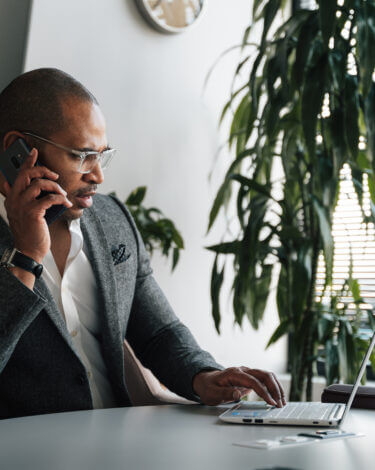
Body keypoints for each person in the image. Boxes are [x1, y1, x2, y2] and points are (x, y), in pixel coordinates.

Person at [0, 68, 286, 419]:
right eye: (80, 155)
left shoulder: (112, 220)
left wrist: (204, 375)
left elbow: (159, 333)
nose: (98, 175)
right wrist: (26, 257)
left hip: (118, 442)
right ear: (17, 150)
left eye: (102, 154)